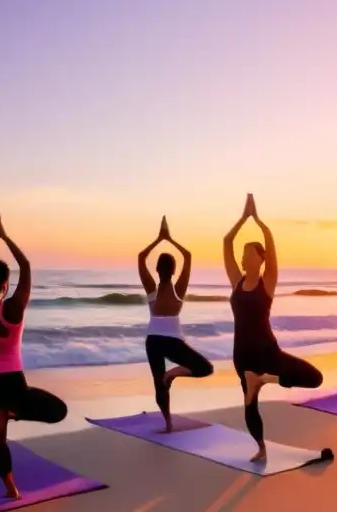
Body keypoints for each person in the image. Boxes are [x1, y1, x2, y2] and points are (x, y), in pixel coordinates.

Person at [0, 209, 68, 500]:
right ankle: (9, 411)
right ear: (6, 284)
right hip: (11, 383)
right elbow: (26, 265)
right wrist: (4, 236)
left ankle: (11, 488)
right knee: (57, 411)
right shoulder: (13, 309)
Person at [224, 193, 324, 462]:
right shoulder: (236, 281)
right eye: (243, 254)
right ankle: (261, 448)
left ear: (260, 258)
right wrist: (243, 219)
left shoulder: (267, 282)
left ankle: (264, 379)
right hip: (242, 354)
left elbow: (271, 245)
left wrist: (259, 222)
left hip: (268, 352)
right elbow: (226, 242)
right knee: (249, 403)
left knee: (315, 378)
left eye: (248, 253)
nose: (243, 257)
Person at [137, 216, 215, 432]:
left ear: (157, 270)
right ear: (173, 270)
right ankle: (172, 374)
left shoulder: (151, 289)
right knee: (205, 368)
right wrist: (169, 239)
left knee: (158, 384)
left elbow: (141, 257)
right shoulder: (178, 290)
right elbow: (188, 256)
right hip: (172, 342)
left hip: (153, 341)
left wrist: (158, 239)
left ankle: (168, 423)